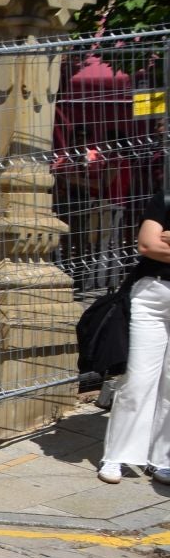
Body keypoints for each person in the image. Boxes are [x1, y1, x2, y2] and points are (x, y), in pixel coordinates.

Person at [97, 188, 170, 485]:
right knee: (138, 380)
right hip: (151, 296)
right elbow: (148, 244)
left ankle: (162, 459)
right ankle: (117, 455)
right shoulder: (166, 199)